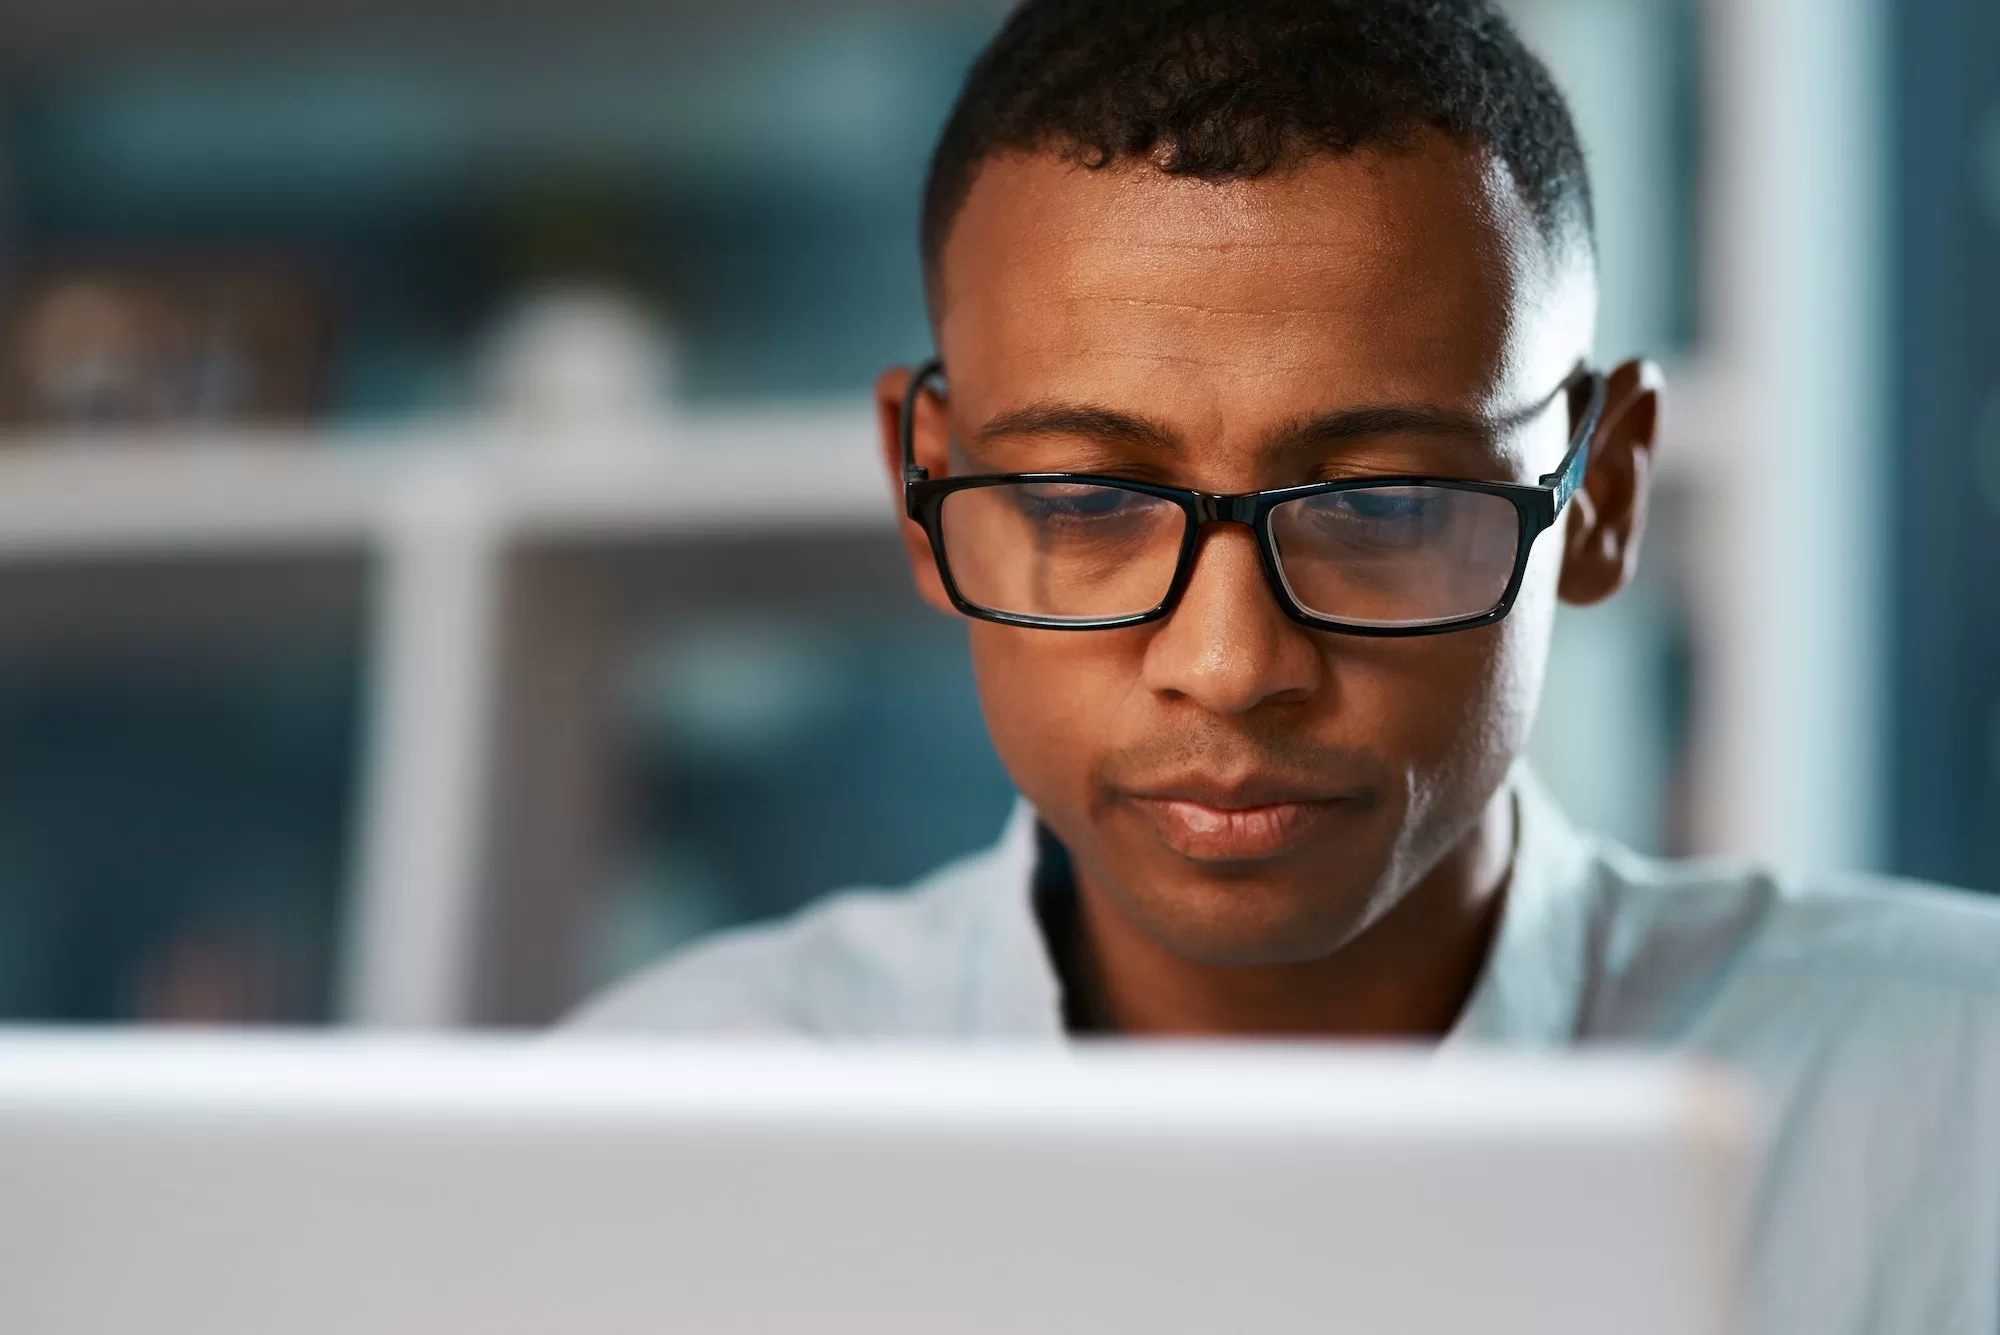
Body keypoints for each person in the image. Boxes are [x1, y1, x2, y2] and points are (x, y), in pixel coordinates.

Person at [571, 2, 2000, 1328]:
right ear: (924, 487)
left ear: (1603, 495)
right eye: (1088, 502)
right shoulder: (648, 1143)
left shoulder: (1954, 1116)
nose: (1230, 662)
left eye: (1381, 504)